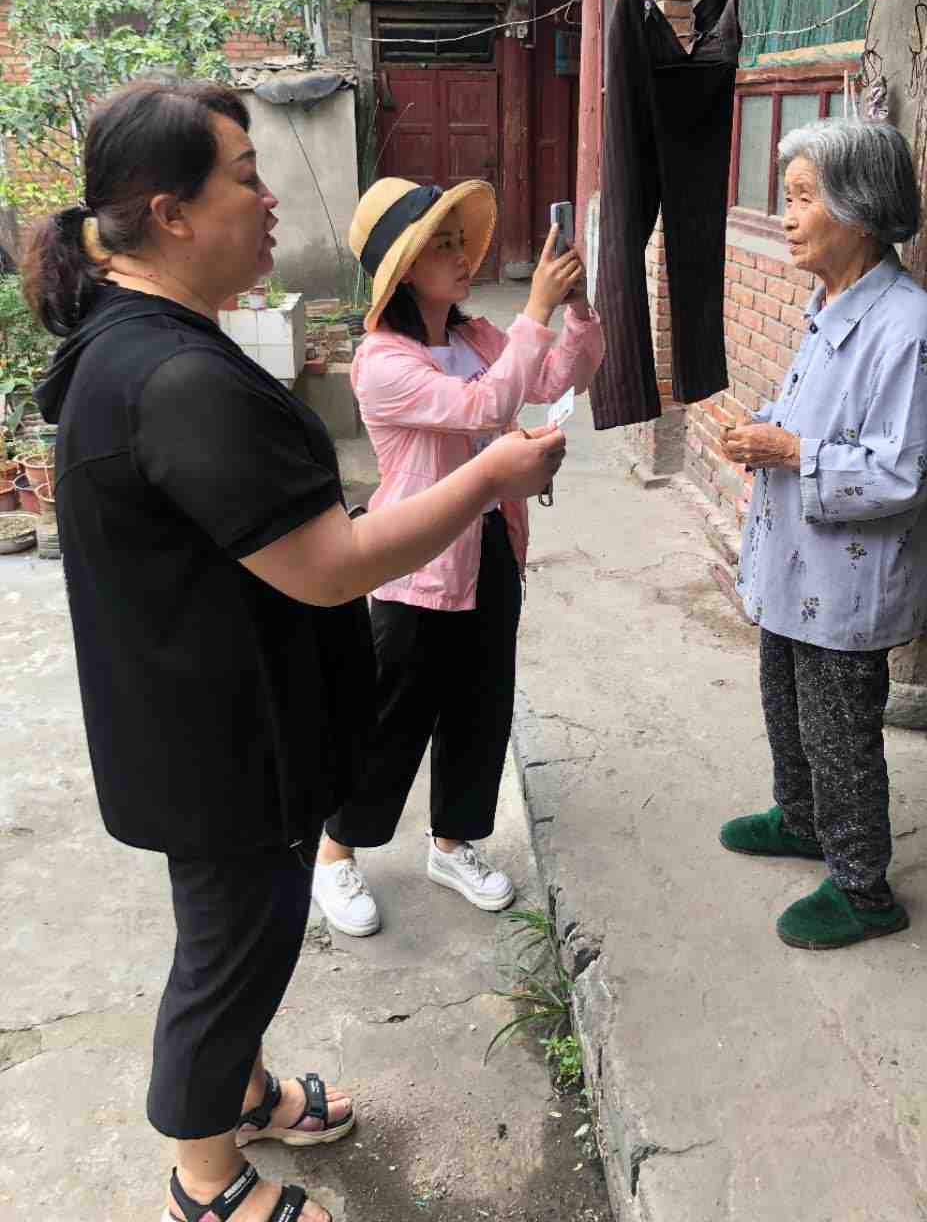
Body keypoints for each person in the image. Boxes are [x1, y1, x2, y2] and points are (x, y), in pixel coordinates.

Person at [25, 81, 566, 1222]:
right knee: (230, 956)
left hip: (217, 721)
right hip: (221, 743)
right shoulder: (174, 378)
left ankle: (243, 1093)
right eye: (245, 176)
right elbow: (331, 565)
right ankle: (206, 1182)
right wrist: (489, 475)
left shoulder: (154, 346)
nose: (270, 200)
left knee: (244, 936)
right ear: (171, 213)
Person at [312, 177, 605, 933]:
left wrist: (574, 308)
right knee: (393, 716)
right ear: (403, 269)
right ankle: (336, 854)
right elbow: (485, 406)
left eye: (458, 240)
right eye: (439, 245)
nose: (459, 255)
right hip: (415, 565)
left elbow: (557, 375)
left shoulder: (476, 338)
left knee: (481, 703)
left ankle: (452, 843)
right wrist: (535, 309)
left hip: (493, 544)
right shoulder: (382, 361)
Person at [718, 119, 927, 950]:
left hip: (849, 579)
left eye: (802, 198)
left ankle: (863, 889)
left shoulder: (909, 326)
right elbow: (816, 414)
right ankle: (801, 818)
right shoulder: (830, 305)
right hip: (796, 560)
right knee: (783, 700)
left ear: (860, 209)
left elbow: (902, 472)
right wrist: (766, 432)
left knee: (839, 732)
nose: (786, 217)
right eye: (786, 198)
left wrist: (792, 451)